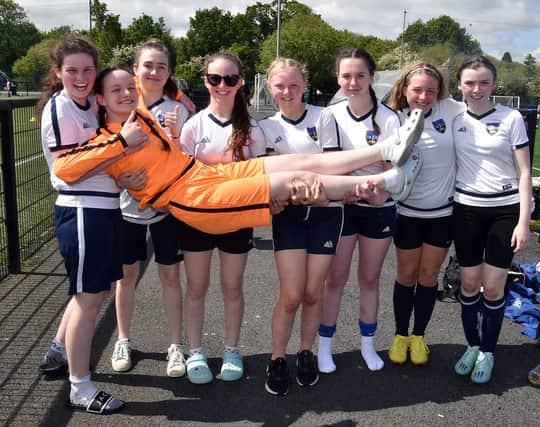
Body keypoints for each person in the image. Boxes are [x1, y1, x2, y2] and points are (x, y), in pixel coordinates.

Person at [52, 66, 424, 239]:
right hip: (191, 198)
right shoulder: (107, 136)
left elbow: (159, 83)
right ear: (100, 99)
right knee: (298, 180)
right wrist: (120, 146)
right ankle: (385, 180)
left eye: (127, 87)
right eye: (114, 91)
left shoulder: (143, 116)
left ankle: (387, 147)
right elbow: (64, 169)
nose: (126, 94)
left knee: (299, 161)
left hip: (200, 173)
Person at [317, 47, 423, 375]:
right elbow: (329, 167)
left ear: (372, 78)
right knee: (334, 279)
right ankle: (325, 346)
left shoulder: (391, 119)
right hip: (342, 208)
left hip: (379, 209)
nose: (353, 82)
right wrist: (352, 186)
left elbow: (397, 172)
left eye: (360, 75)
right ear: (338, 78)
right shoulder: (330, 116)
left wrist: (380, 191)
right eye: (346, 75)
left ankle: (366, 345)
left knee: (369, 278)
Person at [38, 35, 125, 414]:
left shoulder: (91, 103)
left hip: (103, 209)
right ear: (58, 72)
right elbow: (67, 169)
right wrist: (122, 148)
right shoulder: (61, 109)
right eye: (71, 70)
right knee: (89, 300)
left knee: (94, 293)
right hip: (83, 211)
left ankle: (60, 349)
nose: (81, 77)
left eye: (88, 69)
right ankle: (80, 387)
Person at [178, 51, 265, 385]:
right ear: (206, 82)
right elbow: (182, 176)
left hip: (235, 219)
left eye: (230, 79)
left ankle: (232, 349)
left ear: (241, 82)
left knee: (232, 286)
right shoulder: (193, 125)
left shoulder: (253, 129)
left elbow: (260, 177)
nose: (222, 85)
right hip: (197, 219)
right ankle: (196, 351)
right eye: (215, 79)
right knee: (196, 287)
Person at [258, 58, 344, 395]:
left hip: (325, 212)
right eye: (280, 86)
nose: (288, 91)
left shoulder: (324, 117)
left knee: (312, 292)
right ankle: (277, 357)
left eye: (294, 85)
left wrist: (315, 191)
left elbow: (332, 167)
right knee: (292, 295)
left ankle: (305, 351)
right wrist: (273, 199)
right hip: (289, 216)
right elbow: (265, 177)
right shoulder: (266, 126)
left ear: (305, 85)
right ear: (269, 88)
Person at [110, 39, 190, 377]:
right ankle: (123, 339)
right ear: (135, 70)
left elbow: (190, 164)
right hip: (127, 208)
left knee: (170, 275)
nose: (154, 72)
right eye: (148, 66)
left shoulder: (179, 110)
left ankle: (175, 345)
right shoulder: (119, 106)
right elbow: (106, 155)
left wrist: (176, 140)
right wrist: (122, 177)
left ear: (169, 72)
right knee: (126, 276)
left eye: (161, 67)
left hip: (166, 209)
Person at [452, 55, 531, 384]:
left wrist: (524, 220)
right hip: (466, 209)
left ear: (494, 84)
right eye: (470, 82)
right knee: (469, 283)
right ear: (460, 85)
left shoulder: (511, 118)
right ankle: (471, 345)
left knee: (494, 286)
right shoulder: (453, 115)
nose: (476, 89)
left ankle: (488, 350)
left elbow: (525, 171)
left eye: (484, 82)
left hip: (504, 210)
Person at [386, 62, 465, 366]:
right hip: (406, 212)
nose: (423, 95)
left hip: (442, 213)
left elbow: (480, 100)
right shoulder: (394, 119)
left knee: (428, 276)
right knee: (406, 275)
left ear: (439, 92)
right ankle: (400, 335)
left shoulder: (450, 109)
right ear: (404, 89)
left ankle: (419, 336)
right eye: (417, 89)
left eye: (430, 90)